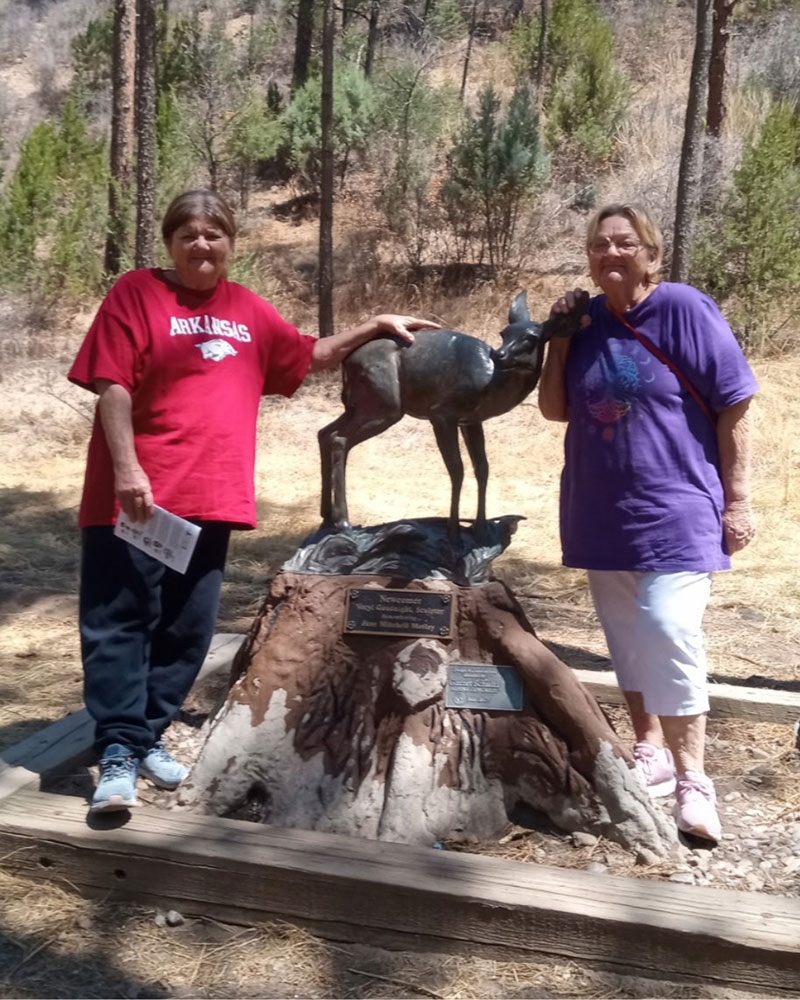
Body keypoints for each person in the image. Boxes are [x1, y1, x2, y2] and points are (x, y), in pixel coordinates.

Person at [69, 188, 439, 813]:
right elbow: (110, 383)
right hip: (137, 497)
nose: (201, 244)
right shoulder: (136, 293)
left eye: (213, 233)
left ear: (231, 244)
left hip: (210, 497)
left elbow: (310, 355)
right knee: (121, 623)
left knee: (187, 628)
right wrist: (127, 467)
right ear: (170, 242)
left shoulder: (245, 310)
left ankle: (149, 732)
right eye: (187, 233)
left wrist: (373, 325)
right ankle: (117, 751)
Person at [538, 203, 758, 842]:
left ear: (651, 256)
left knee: (668, 627)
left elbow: (736, 402)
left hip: (678, 506)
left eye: (625, 243)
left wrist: (738, 499)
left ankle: (694, 778)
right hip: (601, 507)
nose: (611, 253)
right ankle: (650, 749)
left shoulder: (684, 307)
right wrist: (558, 337)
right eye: (600, 244)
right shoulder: (584, 323)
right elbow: (556, 409)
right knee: (629, 636)